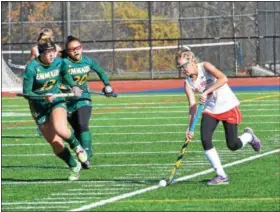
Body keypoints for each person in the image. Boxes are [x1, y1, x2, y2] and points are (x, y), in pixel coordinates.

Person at [175, 47, 261, 185]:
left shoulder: (205, 66)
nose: (183, 69)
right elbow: (192, 106)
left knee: (232, 145)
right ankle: (221, 175)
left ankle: (249, 136)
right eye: (180, 67)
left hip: (227, 105)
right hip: (210, 109)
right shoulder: (187, 83)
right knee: (205, 139)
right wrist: (189, 128)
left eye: (184, 65)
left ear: (192, 61)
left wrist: (206, 91)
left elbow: (223, 78)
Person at [23, 38, 88, 181]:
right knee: (55, 143)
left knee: (60, 128)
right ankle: (73, 165)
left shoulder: (59, 62)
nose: (52, 55)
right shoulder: (31, 68)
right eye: (48, 52)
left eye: (53, 51)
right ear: (41, 53)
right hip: (39, 106)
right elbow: (27, 94)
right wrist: (43, 97)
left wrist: (74, 86)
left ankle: (77, 146)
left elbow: (65, 74)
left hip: (57, 100)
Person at [61, 35, 115, 169]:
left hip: (83, 99)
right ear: (67, 51)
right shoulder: (62, 63)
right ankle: (82, 156)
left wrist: (107, 85)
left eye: (78, 48)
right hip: (66, 101)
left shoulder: (87, 61)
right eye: (72, 49)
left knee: (82, 124)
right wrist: (71, 86)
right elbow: (62, 76)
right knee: (76, 130)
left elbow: (100, 72)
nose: (76, 51)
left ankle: (87, 154)